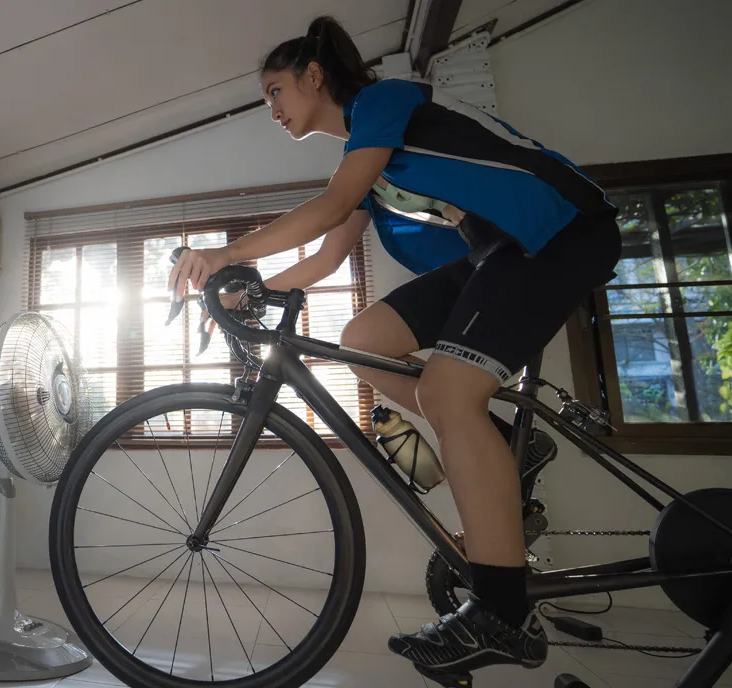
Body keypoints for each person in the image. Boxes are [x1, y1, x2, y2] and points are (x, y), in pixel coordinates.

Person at [168, 15, 621, 677]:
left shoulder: (383, 102)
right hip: (498, 253)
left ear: (314, 75)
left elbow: (330, 205)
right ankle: (501, 440)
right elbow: (325, 258)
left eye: (274, 91)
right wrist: (248, 291)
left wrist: (226, 254)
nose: (272, 109)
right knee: (363, 339)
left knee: (448, 394)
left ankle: (503, 612)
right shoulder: (371, 166)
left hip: (556, 233)